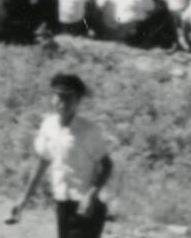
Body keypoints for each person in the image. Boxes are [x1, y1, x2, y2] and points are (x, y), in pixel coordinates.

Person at [7, 70, 114, 238]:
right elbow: (42, 163)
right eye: (59, 96)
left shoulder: (89, 130)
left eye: (69, 98)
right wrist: (24, 199)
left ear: (78, 101)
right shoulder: (48, 125)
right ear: (52, 98)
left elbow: (106, 165)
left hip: (87, 206)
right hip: (62, 203)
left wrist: (91, 195)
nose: (63, 103)